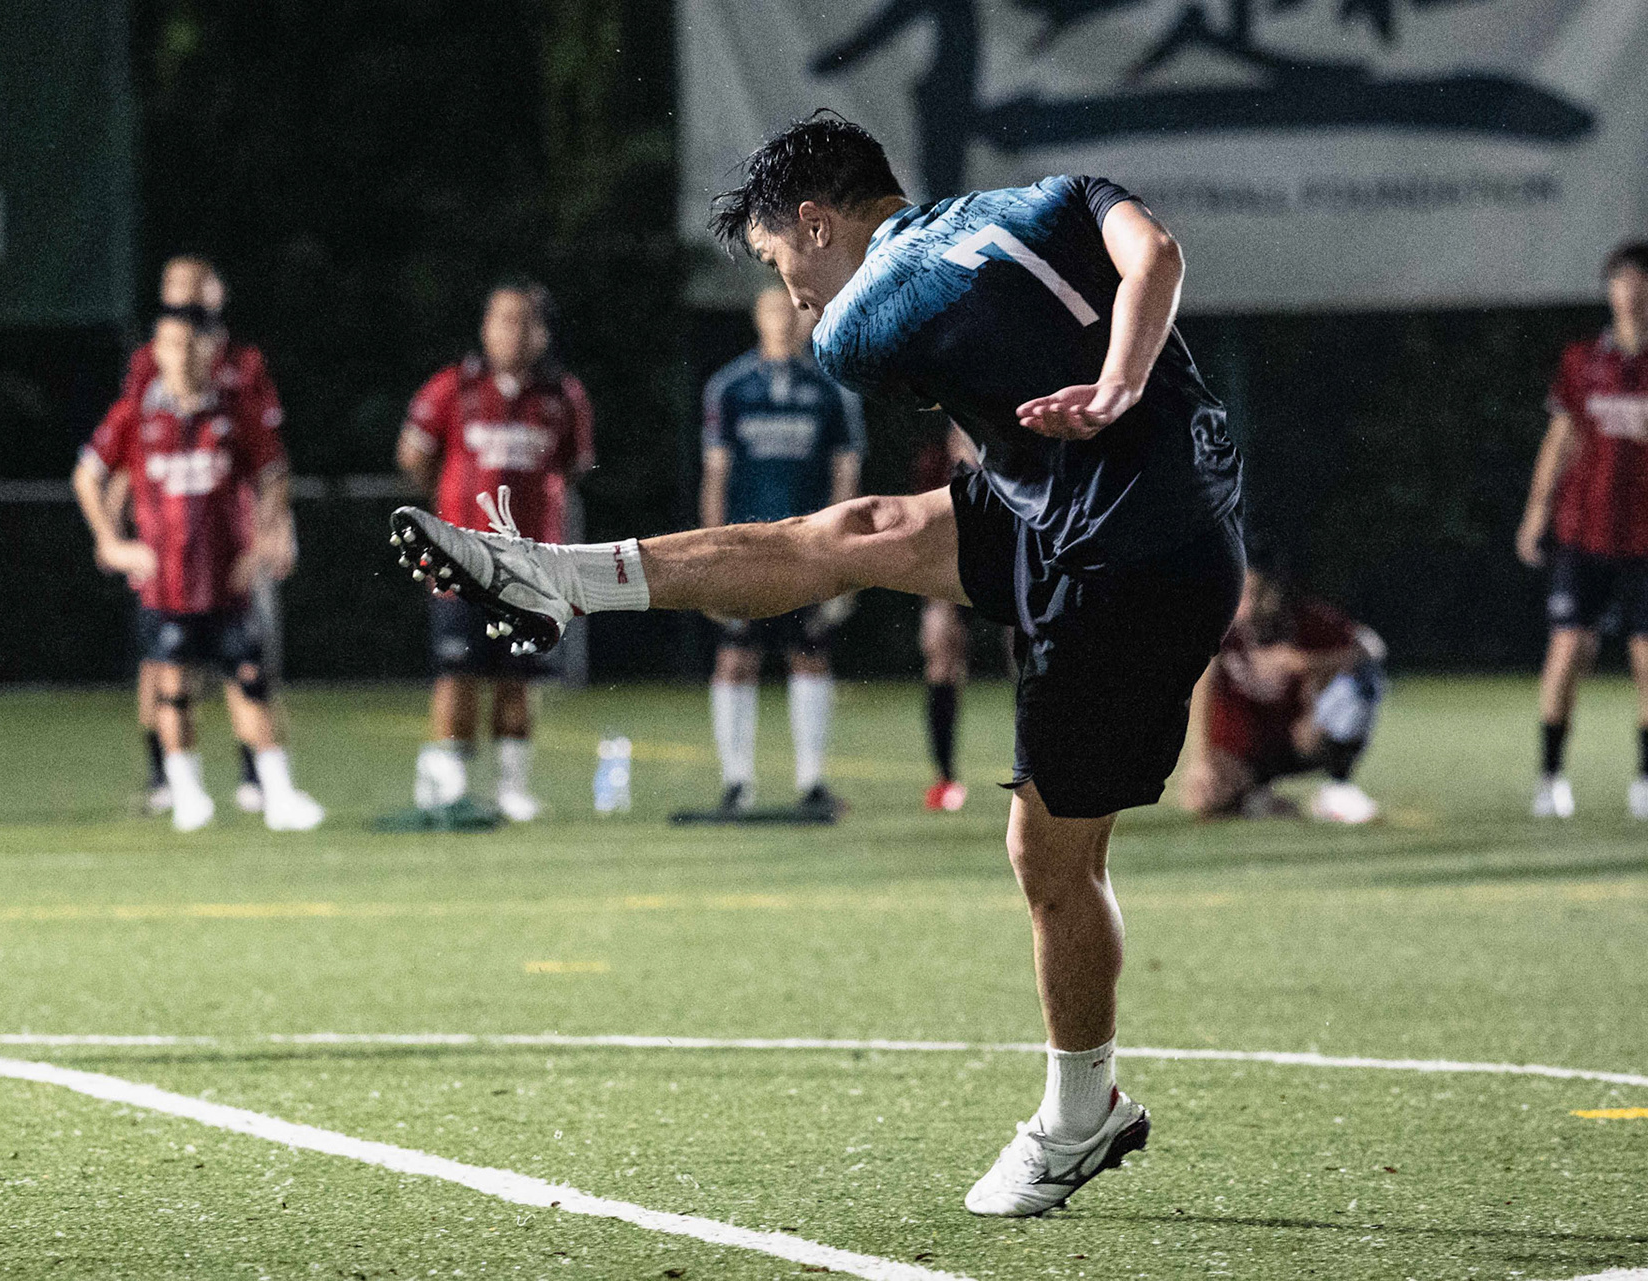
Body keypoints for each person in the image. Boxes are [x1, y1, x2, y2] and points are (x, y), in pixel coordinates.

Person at [388, 113, 1243, 1216]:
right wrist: (1123, 378)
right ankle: (561, 576)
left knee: (1051, 856)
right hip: (1104, 501)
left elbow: (921, 318)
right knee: (855, 533)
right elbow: (1156, 258)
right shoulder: (1052, 194)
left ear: (817, 221)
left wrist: (1096, 398)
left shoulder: (860, 327)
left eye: (780, 261)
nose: (794, 296)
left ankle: (1081, 1118)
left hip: (1130, 560)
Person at [73, 307, 322, 832]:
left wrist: (262, 542)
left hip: (226, 579)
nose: (182, 355)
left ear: (210, 350)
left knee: (251, 682)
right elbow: (87, 476)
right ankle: (187, 793)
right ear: (155, 353)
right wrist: (112, 544)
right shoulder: (136, 414)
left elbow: (275, 475)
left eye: (191, 344)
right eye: (170, 345)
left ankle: (277, 794)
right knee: (172, 687)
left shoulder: (235, 409)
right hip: (166, 584)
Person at [1515, 241, 1648, 823]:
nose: (1630, 293)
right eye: (1620, 281)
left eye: (1642, 282)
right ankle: (1551, 778)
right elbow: (1560, 441)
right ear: (1610, 291)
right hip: (1587, 532)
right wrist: (1536, 511)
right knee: (1566, 653)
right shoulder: (1583, 360)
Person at [395, 279, 594, 822]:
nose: (514, 330)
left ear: (542, 332)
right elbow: (414, 456)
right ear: (485, 327)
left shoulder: (562, 395)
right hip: (460, 557)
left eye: (526, 320)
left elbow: (574, 466)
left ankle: (512, 787)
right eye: (504, 319)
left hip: (532, 561)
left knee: (519, 675)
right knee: (456, 672)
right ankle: (450, 787)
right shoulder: (453, 387)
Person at [117, 256, 288, 816]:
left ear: (219, 291)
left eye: (197, 286)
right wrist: (117, 533)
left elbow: (268, 460)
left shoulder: (244, 363)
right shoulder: (150, 361)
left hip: (231, 528)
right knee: (163, 660)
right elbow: (128, 450)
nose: (186, 295)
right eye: (175, 285)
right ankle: (164, 775)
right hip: (168, 532)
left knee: (249, 655)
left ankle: (255, 775)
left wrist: (276, 530)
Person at [699, 285, 866, 819]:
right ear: (755, 318)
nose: (783, 321)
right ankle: (736, 784)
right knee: (735, 657)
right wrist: (709, 551)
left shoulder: (830, 390)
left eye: (792, 311)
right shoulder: (730, 388)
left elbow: (846, 472)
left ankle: (812, 781)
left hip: (807, 549)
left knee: (810, 654)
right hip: (746, 546)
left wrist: (841, 550)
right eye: (772, 310)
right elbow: (716, 473)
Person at [1180, 567, 1385, 823]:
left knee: (1363, 679)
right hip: (1246, 744)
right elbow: (1200, 685)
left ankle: (1337, 782)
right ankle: (1260, 797)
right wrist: (1200, 761)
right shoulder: (1220, 626)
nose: (1248, 605)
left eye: (1256, 594)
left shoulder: (1303, 618)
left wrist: (1301, 663)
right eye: (1241, 595)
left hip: (1299, 735)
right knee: (1203, 799)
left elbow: (1371, 649)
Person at [913, 417, 982, 811]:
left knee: (1030, 656)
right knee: (941, 651)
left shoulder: (1017, 444)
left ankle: (1037, 772)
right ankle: (945, 778)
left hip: (1014, 560)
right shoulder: (935, 459)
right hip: (952, 562)